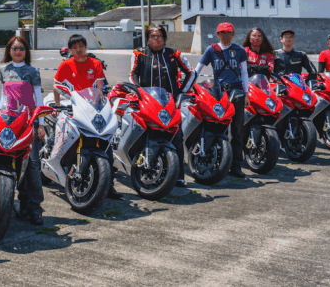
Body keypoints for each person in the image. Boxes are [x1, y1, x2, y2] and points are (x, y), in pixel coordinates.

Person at [53, 33, 122, 198]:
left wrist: (101, 105)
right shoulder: (66, 65)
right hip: (72, 103)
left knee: (105, 141)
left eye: (81, 46)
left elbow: (99, 87)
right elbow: (56, 85)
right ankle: (54, 156)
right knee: (63, 130)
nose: (78, 50)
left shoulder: (95, 63)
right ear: (70, 50)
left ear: (85, 47)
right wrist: (56, 105)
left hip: (91, 104)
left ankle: (108, 184)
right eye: (75, 47)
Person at [129, 25, 194, 187]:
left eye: (159, 35)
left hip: (170, 103)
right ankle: (140, 168)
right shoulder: (139, 53)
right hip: (148, 102)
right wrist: (138, 91)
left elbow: (191, 72)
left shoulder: (174, 54)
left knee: (176, 137)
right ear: (147, 38)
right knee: (144, 133)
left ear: (164, 38)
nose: (156, 38)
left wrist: (181, 91)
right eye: (152, 36)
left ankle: (179, 176)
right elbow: (133, 74)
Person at [0, 35, 46, 225]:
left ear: (26, 52)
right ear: (9, 51)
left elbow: (38, 99)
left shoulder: (32, 71)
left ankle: (34, 207)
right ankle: (10, 199)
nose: (17, 52)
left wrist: (40, 124)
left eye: (21, 48)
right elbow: (3, 97)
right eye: (14, 48)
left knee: (32, 165)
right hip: (9, 122)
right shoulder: (4, 70)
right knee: (12, 162)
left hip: (29, 123)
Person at [194, 22, 250, 178]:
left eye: (229, 32)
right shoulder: (211, 49)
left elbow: (244, 73)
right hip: (219, 92)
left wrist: (246, 93)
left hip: (237, 91)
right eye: (222, 32)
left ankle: (236, 165)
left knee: (237, 129)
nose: (226, 35)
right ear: (217, 34)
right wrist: (190, 85)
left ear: (233, 34)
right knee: (218, 125)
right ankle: (219, 161)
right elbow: (198, 69)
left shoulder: (239, 50)